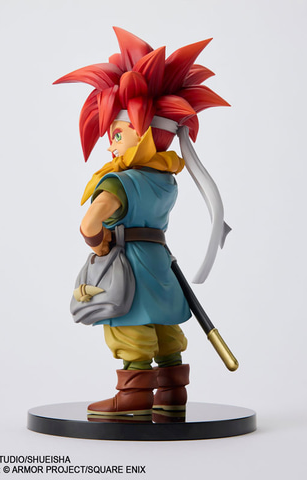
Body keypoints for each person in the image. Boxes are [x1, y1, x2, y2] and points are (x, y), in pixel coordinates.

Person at [54, 27, 230, 415]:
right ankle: (172, 394)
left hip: (128, 266)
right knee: (166, 328)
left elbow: (89, 224)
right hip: (160, 265)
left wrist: (99, 244)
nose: (110, 144)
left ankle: (133, 397)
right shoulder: (166, 180)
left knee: (130, 328)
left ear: (143, 131)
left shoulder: (120, 181)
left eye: (117, 134)